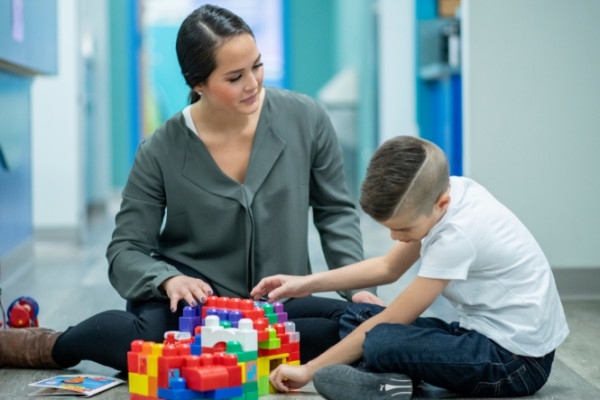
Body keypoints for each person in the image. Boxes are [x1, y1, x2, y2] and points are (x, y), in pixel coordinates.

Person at [0, 4, 383, 372]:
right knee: (149, 339)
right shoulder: (160, 149)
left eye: (257, 66)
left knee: (363, 323)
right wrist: (167, 279)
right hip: (189, 308)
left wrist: (357, 289)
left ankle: (222, 355)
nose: (253, 84)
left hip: (277, 307)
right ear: (198, 84)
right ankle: (46, 345)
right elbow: (125, 250)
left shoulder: (307, 118)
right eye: (235, 78)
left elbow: (335, 213)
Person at [251, 135, 570, 399]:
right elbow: (387, 267)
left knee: (379, 339)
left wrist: (309, 371)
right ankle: (385, 370)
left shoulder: (457, 235)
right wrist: (303, 283)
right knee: (362, 316)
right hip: (480, 336)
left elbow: (392, 319)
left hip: (515, 364)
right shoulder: (444, 193)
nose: (395, 237)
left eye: (402, 229)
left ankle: (389, 383)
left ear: (440, 205)